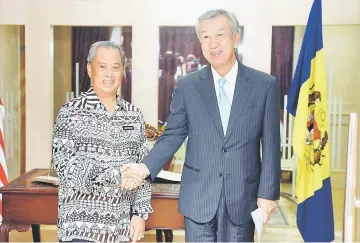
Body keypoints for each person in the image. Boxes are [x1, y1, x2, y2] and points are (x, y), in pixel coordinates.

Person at [122, 9, 281, 242]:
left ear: (236, 38)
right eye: (205, 37)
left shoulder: (264, 85)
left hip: (242, 197)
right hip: (198, 197)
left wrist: (267, 194)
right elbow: (173, 134)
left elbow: (270, 143)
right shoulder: (188, 86)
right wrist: (145, 168)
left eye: (220, 35)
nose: (213, 43)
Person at [52, 41, 153, 243]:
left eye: (116, 67)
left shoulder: (133, 116)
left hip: (122, 229)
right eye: (102, 66)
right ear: (90, 69)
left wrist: (140, 214)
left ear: (123, 71)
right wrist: (117, 176)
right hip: (80, 229)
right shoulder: (70, 112)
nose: (109, 74)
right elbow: (65, 166)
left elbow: (143, 167)